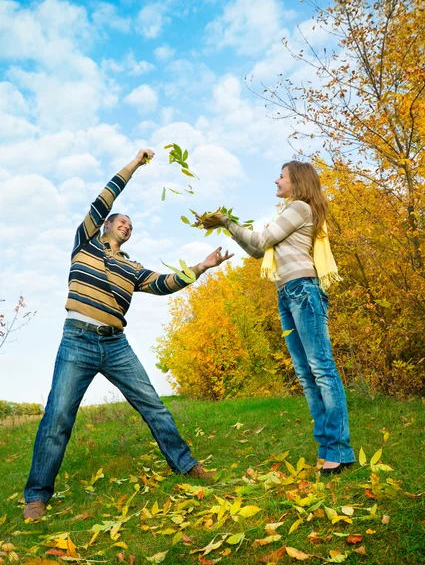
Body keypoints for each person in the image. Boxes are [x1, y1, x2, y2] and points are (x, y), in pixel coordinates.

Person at [24, 149, 233, 520]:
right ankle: (37, 496)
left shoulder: (132, 267)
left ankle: (187, 466)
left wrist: (202, 266)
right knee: (57, 416)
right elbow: (105, 195)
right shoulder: (85, 240)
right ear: (105, 224)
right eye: (123, 221)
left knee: (153, 405)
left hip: (115, 345)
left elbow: (163, 283)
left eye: (132, 225)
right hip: (77, 339)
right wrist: (136, 164)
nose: (128, 225)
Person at [198, 160, 355, 475]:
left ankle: (340, 450)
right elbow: (258, 251)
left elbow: (260, 241)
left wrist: (226, 221)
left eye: (281, 176)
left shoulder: (298, 208)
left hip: (302, 291)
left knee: (322, 370)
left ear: (296, 180)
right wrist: (227, 227)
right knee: (307, 376)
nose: (275, 181)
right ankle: (327, 450)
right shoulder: (288, 213)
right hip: (287, 292)